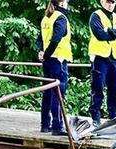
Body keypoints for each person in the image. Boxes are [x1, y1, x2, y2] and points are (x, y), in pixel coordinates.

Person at [88, 0, 116, 126]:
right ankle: (96, 117)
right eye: (108, 2)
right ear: (101, 2)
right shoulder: (96, 15)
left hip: (114, 58)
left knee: (114, 88)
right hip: (100, 57)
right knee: (98, 87)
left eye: (113, 2)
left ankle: (113, 117)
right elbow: (100, 35)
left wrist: (109, 31)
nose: (110, 4)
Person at [37, 0, 72, 136]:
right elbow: (56, 39)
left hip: (48, 61)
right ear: (62, 3)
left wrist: (42, 52)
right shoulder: (61, 18)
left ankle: (45, 124)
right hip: (58, 59)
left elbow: (40, 39)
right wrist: (46, 54)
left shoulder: (46, 18)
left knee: (47, 92)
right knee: (58, 94)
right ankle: (57, 126)